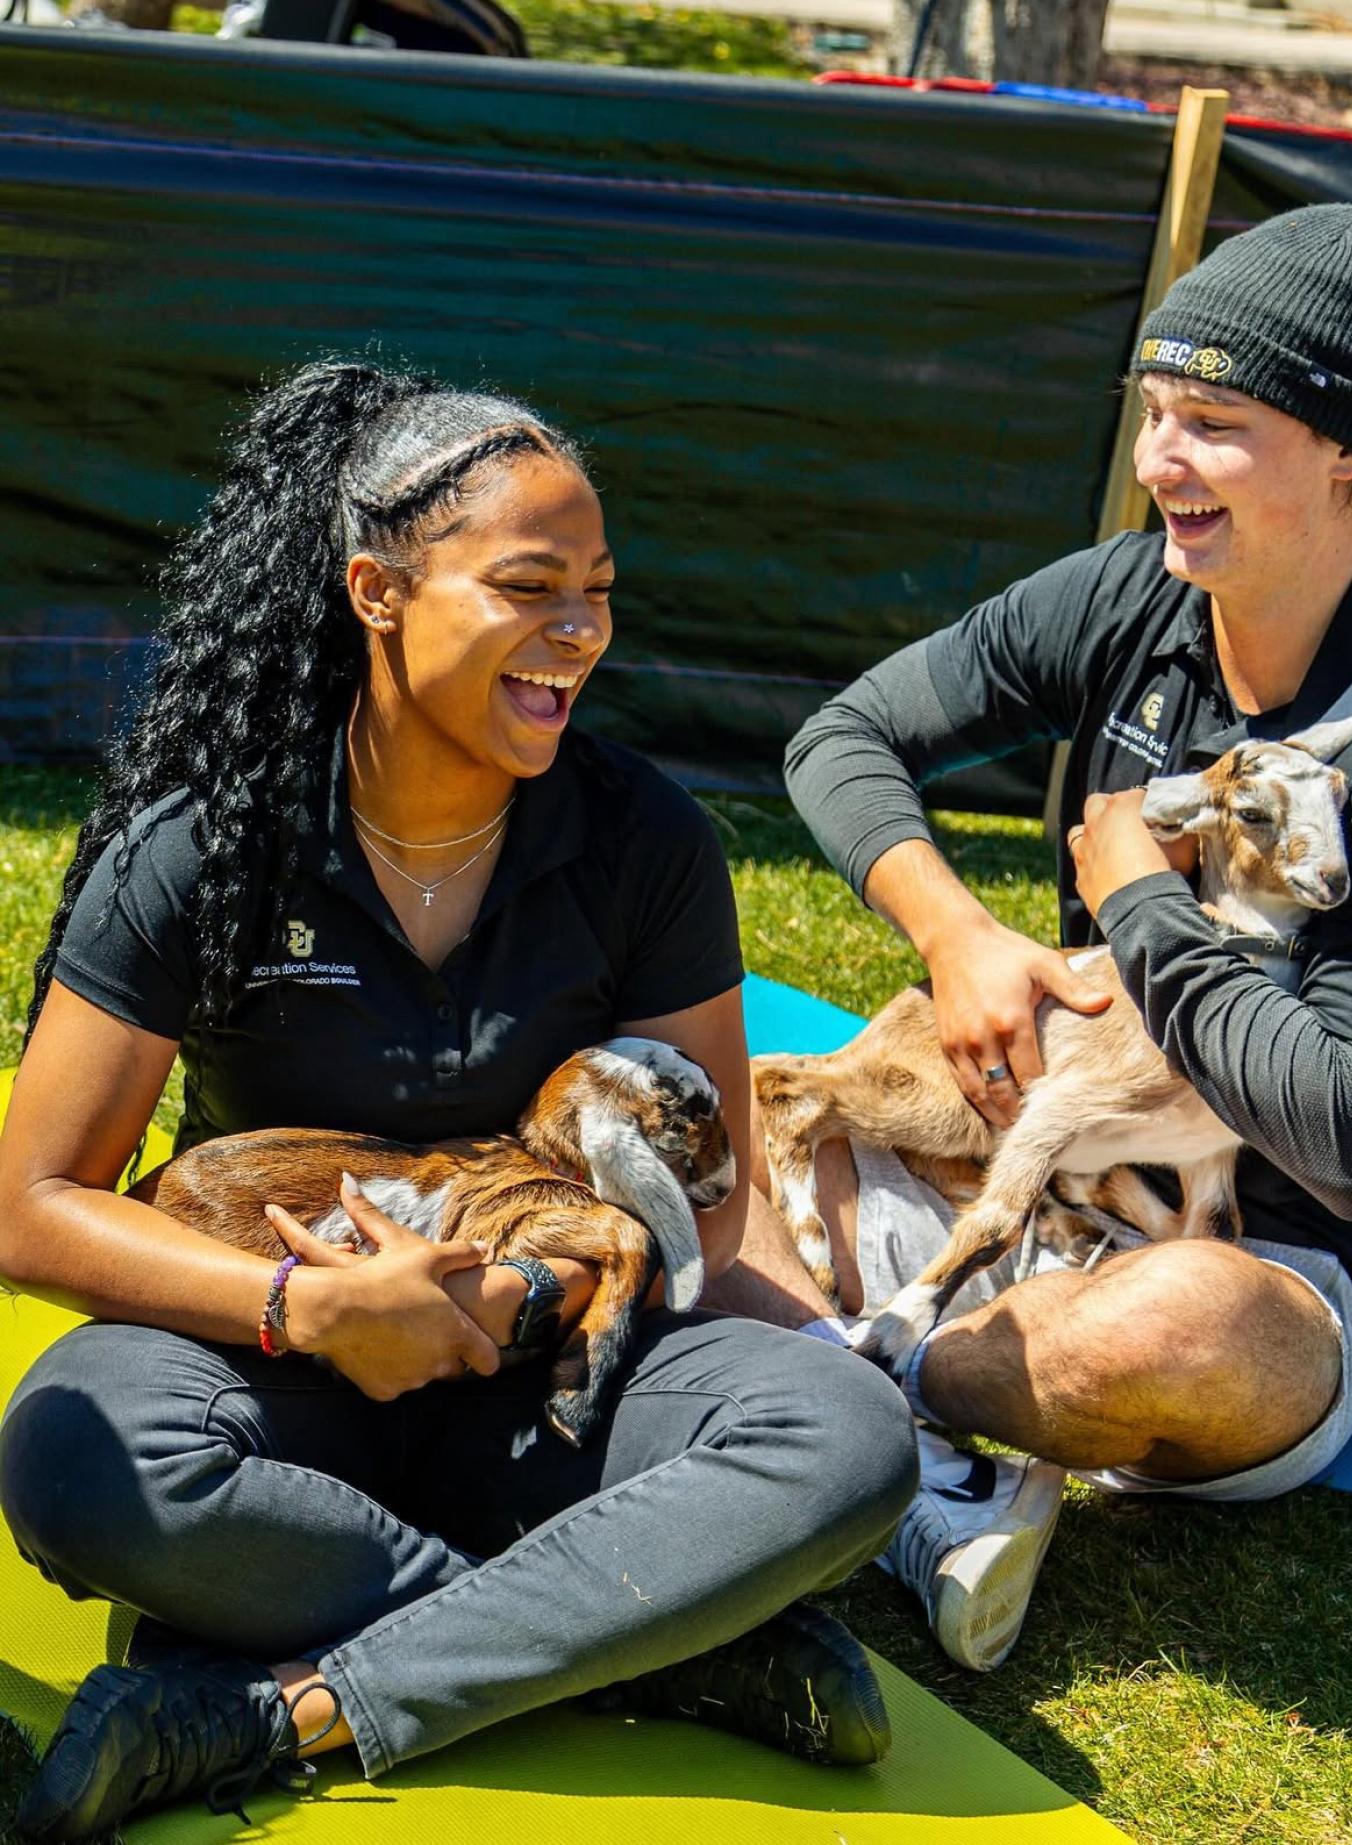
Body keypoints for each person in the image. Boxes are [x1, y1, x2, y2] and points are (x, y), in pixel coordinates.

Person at [0, 361, 918, 1842]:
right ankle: (655, 1635)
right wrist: (305, 1309)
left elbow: (711, 1195)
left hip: (550, 1390)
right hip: (276, 1389)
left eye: (599, 591)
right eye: (530, 586)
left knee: (846, 1435)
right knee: (73, 1455)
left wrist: (513, 1295)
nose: (580, 634)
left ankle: (256, 1706)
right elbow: (31, 1206)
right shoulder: (210, 843)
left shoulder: (644, 840)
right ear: (377, 589)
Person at [714, 205, 1352, 1675]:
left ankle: (836, 1389)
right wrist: (957, 935)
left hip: (1244, 1263)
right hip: (1031, 1169)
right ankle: (909, 1458)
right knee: (689, 1101)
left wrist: (1137, 897)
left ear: (1349, 453)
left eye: (1210, 423)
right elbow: (848, 735)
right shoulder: (1137, 595)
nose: (1155, 465)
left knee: (1161, 1331)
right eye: (1151, 413)